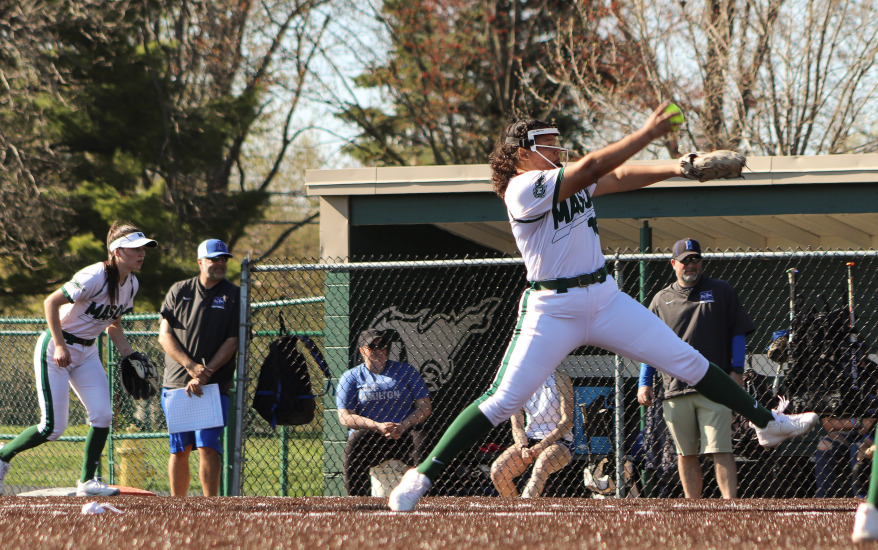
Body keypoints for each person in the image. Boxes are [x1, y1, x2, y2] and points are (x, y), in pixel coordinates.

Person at [387, 104, 819, 512]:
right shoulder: (521, 187)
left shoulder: (559, 178)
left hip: (603, 296)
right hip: (551, 306)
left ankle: (766, 422)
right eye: (549, 144)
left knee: (689, 361)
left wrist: (679, 167)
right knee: (503, 401)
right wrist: (648, 133)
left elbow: (617, 175)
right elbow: (594, 166)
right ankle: (421, 476)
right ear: (522, 153)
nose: (559, 150)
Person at [0, 222, 158, 497]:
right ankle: (2, 457)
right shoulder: (94, 275)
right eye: (135, 249)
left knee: (103, 415)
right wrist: (60, 344)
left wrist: (128, 354)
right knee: (52, 427)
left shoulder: (131, 283)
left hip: (87, 352)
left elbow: (114, 325)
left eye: (143, 248)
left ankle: (87, 482)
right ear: (117, 251)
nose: (141, 253)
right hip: (56, 348)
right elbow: (51, 303)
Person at [637, 238, 755, 499]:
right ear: (673, 264)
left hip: (715, 386)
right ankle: (694, 508)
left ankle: (730, 505)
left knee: (721, 449)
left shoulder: (721, 291)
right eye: (685, 260)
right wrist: (644, 382)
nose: (691, 265)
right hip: (675, 389)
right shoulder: (660, 299)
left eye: (695, 259)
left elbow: (738, 333)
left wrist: (737, 370)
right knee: (685, 452)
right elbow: (649, 345)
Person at [158, 238, 240, 496]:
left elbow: (233, 340)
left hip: (213, 386)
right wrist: (190, 366)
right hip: (176, 383)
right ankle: (178, 505)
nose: (219, 263)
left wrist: (205, 374)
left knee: (208, 445)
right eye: (213, 258)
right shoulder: (179, 290)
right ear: (200, 262)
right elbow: (164, 335)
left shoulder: (234, 294)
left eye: (223, 259)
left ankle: (210, 505)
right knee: (180, 448)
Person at [336, 328, 432, 496]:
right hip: (372, 435)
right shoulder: (351, 377)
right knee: (355, 440)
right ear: (362, 351)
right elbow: (345, 417)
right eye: (373, 347)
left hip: (403, 433)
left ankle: (427, 498)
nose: (379, 351)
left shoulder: (406, 371)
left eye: (383, 346)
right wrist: (378, 426)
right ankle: (357, 501)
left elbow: (425, 406)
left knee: (422, 437)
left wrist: (403, 426)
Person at [490, 369, 573, 498]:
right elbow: (517, 426)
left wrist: (542, 445)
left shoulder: (561, 379)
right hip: (528, 441)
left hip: (558, 441)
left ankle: (523, 513)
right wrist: (522, 447)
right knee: (498, 471)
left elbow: (567, 421)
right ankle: (513, 511)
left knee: (542, 466)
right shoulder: (520, 384)